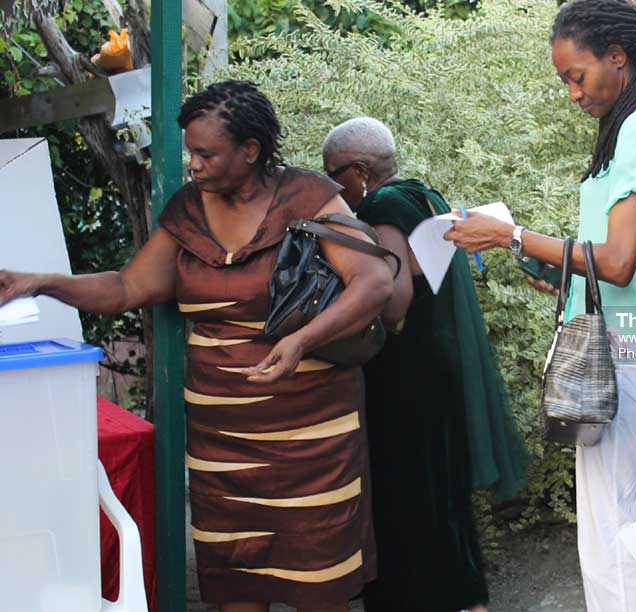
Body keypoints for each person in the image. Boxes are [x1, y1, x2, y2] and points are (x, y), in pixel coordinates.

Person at [0, 81, 395, 612]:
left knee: (318, 585)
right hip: (220, 449)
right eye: (191, 152)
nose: (194, 165)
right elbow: (126, 288)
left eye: (207, 154)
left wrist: (302, 340)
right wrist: (41, 283)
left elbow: (374, 282)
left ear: (250, 150)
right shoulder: (187, 211)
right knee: (235, 583)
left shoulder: (306, 195)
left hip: (311, 442)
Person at [445, 2, 636, 611]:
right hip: (634, 343)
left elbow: (618, 261)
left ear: (618, 57)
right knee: (628, 524)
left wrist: (509, 236)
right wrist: (555, 269)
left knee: (619, 535)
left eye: (576, 76)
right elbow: (623, 259)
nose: (572, 94)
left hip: (630, 356)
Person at [321, 117, 528, 612]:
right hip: (439, 360)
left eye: (334, 175)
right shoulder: (424, 195)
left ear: (360, 171)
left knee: (407, 496)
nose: (333, 189)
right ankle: (466, 598)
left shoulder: (382, 206)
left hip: (404, 371)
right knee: (444, 494)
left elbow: (395, 300)